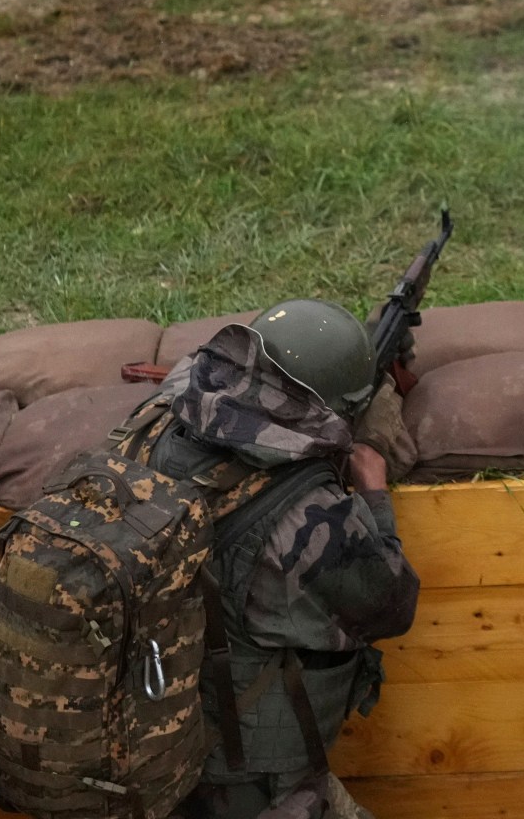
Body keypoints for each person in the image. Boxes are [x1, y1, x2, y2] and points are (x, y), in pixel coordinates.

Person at [147, 300, 422, 819]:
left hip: (149, 742)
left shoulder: (159, 423)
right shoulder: (309, 518)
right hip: (244, 782)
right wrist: (374, 494)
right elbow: (391, 604)